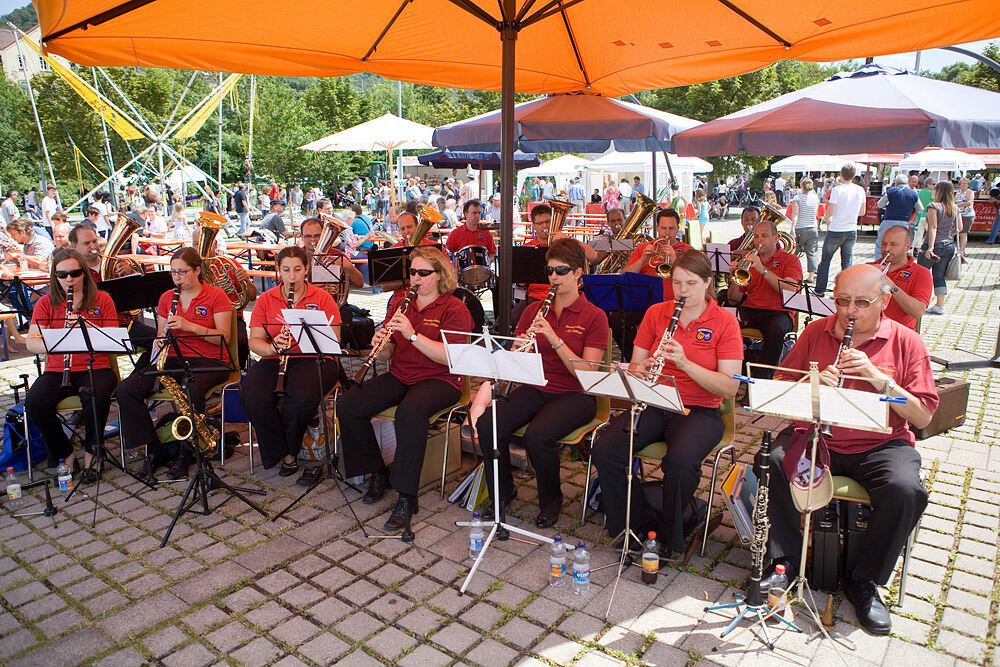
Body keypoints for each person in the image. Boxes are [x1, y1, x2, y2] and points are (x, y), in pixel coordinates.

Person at [759, 264, 938, 636]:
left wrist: (880, 379)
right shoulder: (816, 331)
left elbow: (923, 414)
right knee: (776, 461)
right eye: (842, 301)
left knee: (905, 490)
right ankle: (783, 564)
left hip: (880, 444)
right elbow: (779, 385)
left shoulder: (907, 341)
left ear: (884, 301)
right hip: (818, 435)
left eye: (861, 302)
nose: (849, 311)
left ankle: (865, 579)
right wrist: (812, 385)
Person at [592, 251, 742, 556]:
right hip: (655, 401)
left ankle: (667, 538)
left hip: (699, 409)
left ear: (708, 283)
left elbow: (729, 386)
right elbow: (635, 365)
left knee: (680, 462)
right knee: (606, 449)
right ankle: (638, 523)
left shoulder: (725, 322)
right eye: (677, 282)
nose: (682, 290)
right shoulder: (657, 312)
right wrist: (643, 368)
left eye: (691, 283)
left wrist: (685, 364)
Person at [337, 247, 474, 533]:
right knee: (349, 404)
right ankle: (377, 471)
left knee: (409, 413)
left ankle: (406, 496)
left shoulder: (454, 308)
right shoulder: (401, 303)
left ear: (440, 275)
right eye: (413, 272)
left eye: (423, 273)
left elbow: (450, 358)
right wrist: (379, 347)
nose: (416, 278)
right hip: (402, 374)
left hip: (442, 379)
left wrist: (412, 334)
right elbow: (389, 352)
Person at [474, 239, 609, 527]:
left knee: (538, 435)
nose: (554, 277)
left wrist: (554, 339)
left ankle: (551, 500)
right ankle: (502, 491)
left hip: (576, 394)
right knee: (488, 424)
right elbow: (516, 363)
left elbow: (587, 372)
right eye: (549, 271)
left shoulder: (595, 317)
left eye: (561, 271)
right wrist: (518, 350)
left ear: (578, 273)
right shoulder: (533, 310)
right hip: (536, 386)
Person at [116, 247, 233, 480]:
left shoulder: (216, 295)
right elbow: (161, 333)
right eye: (173, 272)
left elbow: (224, 337)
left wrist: (191, 326)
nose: (177, 277)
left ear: (197, 270)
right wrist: (160, 341)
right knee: (126, 390)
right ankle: (154, 449)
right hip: (173, 357)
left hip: (210, 359)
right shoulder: (167, 298)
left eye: (182, 272)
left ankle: (185, 453)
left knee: (192, 390)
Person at [241, 246, 342, 481]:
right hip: (274, 357)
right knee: (251, 397)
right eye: (286, 270)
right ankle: (283, 452)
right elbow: (255, 342)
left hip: (314, 358)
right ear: (279, 270)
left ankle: (289, 452)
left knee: (300, 398)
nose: (292, 276)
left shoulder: (322, 298)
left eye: (297, 269)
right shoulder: (266, 299)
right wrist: (273, 347)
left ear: (306, 269)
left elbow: (334, 340)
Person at [24, 249, 119, 480]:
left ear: (84, 273)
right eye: (62, 275)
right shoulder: (46, 303)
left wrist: (85, 327)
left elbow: (113, 339)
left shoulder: (102, 299)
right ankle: (65, 454)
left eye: (75, 273)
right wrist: (58, 340)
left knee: (95, 396)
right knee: (35, 403)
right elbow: (32, 343)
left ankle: (92, 455)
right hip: (58, 369)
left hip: (95, 366)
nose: (69, 279)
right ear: (54, 276)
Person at [727, 220, 803, 377]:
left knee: (775, 329)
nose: (759, 240)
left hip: (779, 312)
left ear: (776, 238)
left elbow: (789, 289)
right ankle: (733, 372)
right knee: (725, 321)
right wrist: (734, 278)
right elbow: (734, 299)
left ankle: (765, 377)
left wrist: (762, 269)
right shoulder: (748, 262)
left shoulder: (790, 260)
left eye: (764, 236)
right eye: (756, 236)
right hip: (751, 309)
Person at [816, 164, 867, 294]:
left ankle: (820, 289)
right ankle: (846, 290)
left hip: (836, 228)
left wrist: (825, 218)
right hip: (851, 229)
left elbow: (830, 211)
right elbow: (862, 211)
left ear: (841, 175)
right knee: (847, 262)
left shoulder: (837, 190)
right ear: (854, 176)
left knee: (825, 261)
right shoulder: (860, 190)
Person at [867, 225, 931, 329]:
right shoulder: (869, 267)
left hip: (899, 334)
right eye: (884, 244)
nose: (886, 249)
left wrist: (892, 287)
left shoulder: (921, 273)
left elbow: (918, 311)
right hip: (868, 331)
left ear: (907, 247)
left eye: (893, 244)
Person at [624, 208, 694, 302]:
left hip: (677, 302)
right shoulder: (643, 248)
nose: (667, 232)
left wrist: (675, 261)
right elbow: (625, 277)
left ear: (677, 228)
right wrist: (642, 260)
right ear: (657, 228)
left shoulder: (688, 251)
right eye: (663, 228)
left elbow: (694, 281)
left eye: (671, 228)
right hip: (645, 302)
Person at [918, 180, 959, 315]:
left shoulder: (933, 207)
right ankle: (939, 305)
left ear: (939, 191)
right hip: (948, 245)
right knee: (939, 275)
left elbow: (933, 227)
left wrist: (930, 247)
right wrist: (948, 234)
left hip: (934, 245)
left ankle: (919, 301)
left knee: (921, 274)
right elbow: (959, 228)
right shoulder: (954, 207)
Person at [875, 174, 922, 261]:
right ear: (907, 183)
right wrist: (914, 221)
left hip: (889, 220)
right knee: (900, 244)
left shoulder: (890, 191)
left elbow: (880, 204)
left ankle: (879, 262)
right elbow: (920, 209)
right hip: (904, 222)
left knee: (881, 242)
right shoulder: (913, 193)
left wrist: (887, 206)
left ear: (896, 183)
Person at [789, 178, 820, 281]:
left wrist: (792, 228)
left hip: (800, 228)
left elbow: (795, 214)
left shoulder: (797, 198)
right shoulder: (815, 198)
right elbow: (816, 213)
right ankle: (811, 276)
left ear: (801, 186)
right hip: (813, 228)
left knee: (795, 252)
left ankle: (793, 273)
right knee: (812, 252)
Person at [955, 177, 975, 262]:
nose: (963, 185)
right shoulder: (958, 192)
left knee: (963, 233)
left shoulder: (970, 192)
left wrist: (957, 205)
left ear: (968, 184)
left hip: (967, 215)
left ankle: (962, 251)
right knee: (959, 232)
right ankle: (959, 249)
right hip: (959, 214)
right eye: (962, 183)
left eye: (965, 183)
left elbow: (969, 202)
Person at [913, 178, 935, 253]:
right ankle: (928, 248)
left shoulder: (919, 192)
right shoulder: (932, 193)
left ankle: (918, 250)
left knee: (918, 234)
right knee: (930, 233)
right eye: (933, 184)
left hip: (919, 215)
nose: (934, 186)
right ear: (928, 184)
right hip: (929, 216)